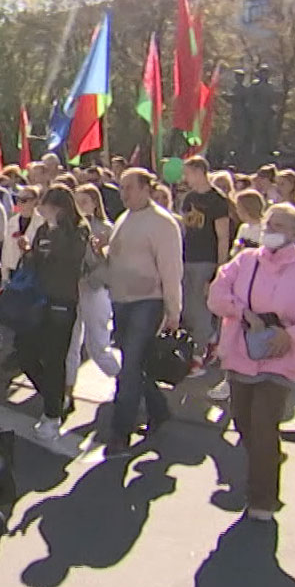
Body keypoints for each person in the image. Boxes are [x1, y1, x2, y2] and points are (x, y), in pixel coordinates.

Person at [205, 204, 295, 521]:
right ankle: (266, 463)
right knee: (244, 422)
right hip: (241, 354)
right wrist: (242, 311)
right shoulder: (245, 262)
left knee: (264, 424)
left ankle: (262, 498)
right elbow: (216, 294)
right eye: (269, 223)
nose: (272, 230)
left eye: (280, 225)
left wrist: (291, 334)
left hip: (282, 360)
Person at [102, 168, 184, 454]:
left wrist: (174, 310)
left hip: (147, 301)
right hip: (121, 300)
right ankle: (159, 410)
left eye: (129, 188)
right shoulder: (124, 219)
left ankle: (120, 431)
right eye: (121, 187)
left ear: (146, 188)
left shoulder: (162, 223)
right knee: (137, 362)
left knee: (130, 366)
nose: (124, 193)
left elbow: (171, 269)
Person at [17, 184, 88, 438]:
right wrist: (28, 252)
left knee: (55, 358)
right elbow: (38, 260)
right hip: (38, 300)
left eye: (47, 206)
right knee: (25, 352)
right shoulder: (43, 230)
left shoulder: (77, 230)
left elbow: (70, 258)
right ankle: (54, 398)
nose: (42, 211)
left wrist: (57, 229)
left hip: (62, 302)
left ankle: (52, 414)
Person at [64, 183, 122, 390]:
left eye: (84, 202)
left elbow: (113, 265)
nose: (80, 206)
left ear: (95, 203)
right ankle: (68, 389)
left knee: (97, 346)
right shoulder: (71, 228)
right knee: (70, 343)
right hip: (72, 290)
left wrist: (91, 276)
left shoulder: (107, 229)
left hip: (94, 290)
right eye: (77, 202)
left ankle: (127, 380)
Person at [177, 157, 232, 370]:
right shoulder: (188, 198)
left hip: (206, 260)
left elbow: (223, 237)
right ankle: (207, 339)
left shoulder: (217, 200)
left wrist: (220, 269)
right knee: (188, 309)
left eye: (188, 173)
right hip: (187, 258)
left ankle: (198, 356)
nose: (185, 178)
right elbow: (184, 228)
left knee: (199, 308)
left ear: (200, 171)